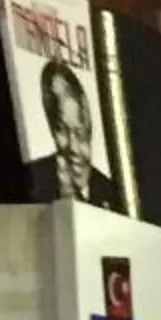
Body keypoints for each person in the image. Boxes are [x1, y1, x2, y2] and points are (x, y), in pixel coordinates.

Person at [38, 59, 119, 211]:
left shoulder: (112, 192)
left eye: (79, 132)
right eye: (61, 130)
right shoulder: (35, 180)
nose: (73, 147)